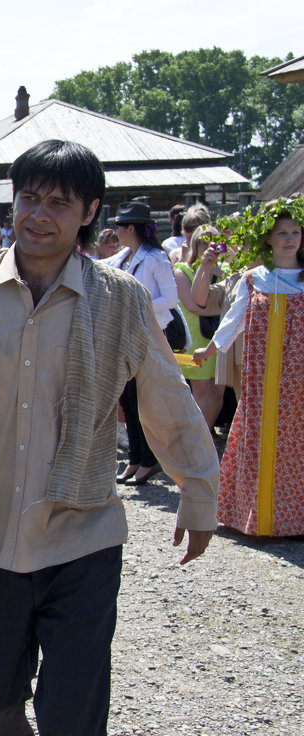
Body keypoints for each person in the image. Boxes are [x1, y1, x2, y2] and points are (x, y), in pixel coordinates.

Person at [0, 140, 217, 736]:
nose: (39, 214)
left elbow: (164, 397)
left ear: (89, 213)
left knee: (75, 710)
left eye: (58, 202)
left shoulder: (120, 298)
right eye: (28, 198)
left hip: (81, 534)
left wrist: (198, 488)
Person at [192, 199, 304, 537]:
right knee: (259, 437)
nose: (289, 239)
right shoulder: (254, 279)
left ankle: (294, 519)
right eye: (281, 233)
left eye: (295, 232)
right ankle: (257, 518)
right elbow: (234, 318)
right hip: (261, 375)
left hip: (298, 377)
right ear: (268, 239)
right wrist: (212, 347)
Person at [104, 201, 181, 484]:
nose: (115, 232)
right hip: (126, 338)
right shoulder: (124, 257)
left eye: (119, 227)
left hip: (148, 337)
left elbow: (170, 300)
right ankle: (135, 458)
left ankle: (149, 460)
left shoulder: (155, 258)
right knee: (128, 399)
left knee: (143, 402)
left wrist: (138, 306)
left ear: (131, 229)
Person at [173, 225, 227, 428]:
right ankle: (197, 438)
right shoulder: (182, 270)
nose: (208, 246)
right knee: (200, 390)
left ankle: (208, 433)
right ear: (195, 244)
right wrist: (223, 311)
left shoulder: (225, 270)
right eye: (203, 242)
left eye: (213, 241)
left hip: (219, 336)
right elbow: (193, 306)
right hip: (197, 336)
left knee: (218, 392)